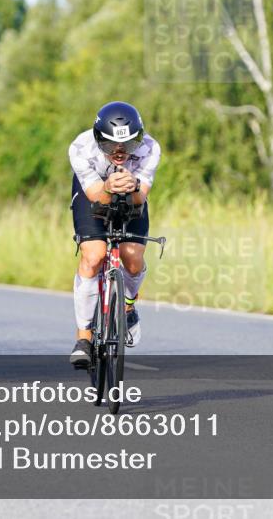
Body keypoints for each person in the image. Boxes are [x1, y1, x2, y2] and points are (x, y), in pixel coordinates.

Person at [68, 101, 161, 368]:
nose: (119, 154)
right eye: (110, 147)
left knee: (133, 258)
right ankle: (84, 337)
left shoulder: (151, 148)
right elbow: (95, 195)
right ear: (99, 140)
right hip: (94, 191)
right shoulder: (80, 148)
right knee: (94, 256)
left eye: (127, 147)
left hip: (132, 193)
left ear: (138, 139)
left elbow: (140, 197)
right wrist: (108, 187)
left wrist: (132, 189)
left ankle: (129, 307)